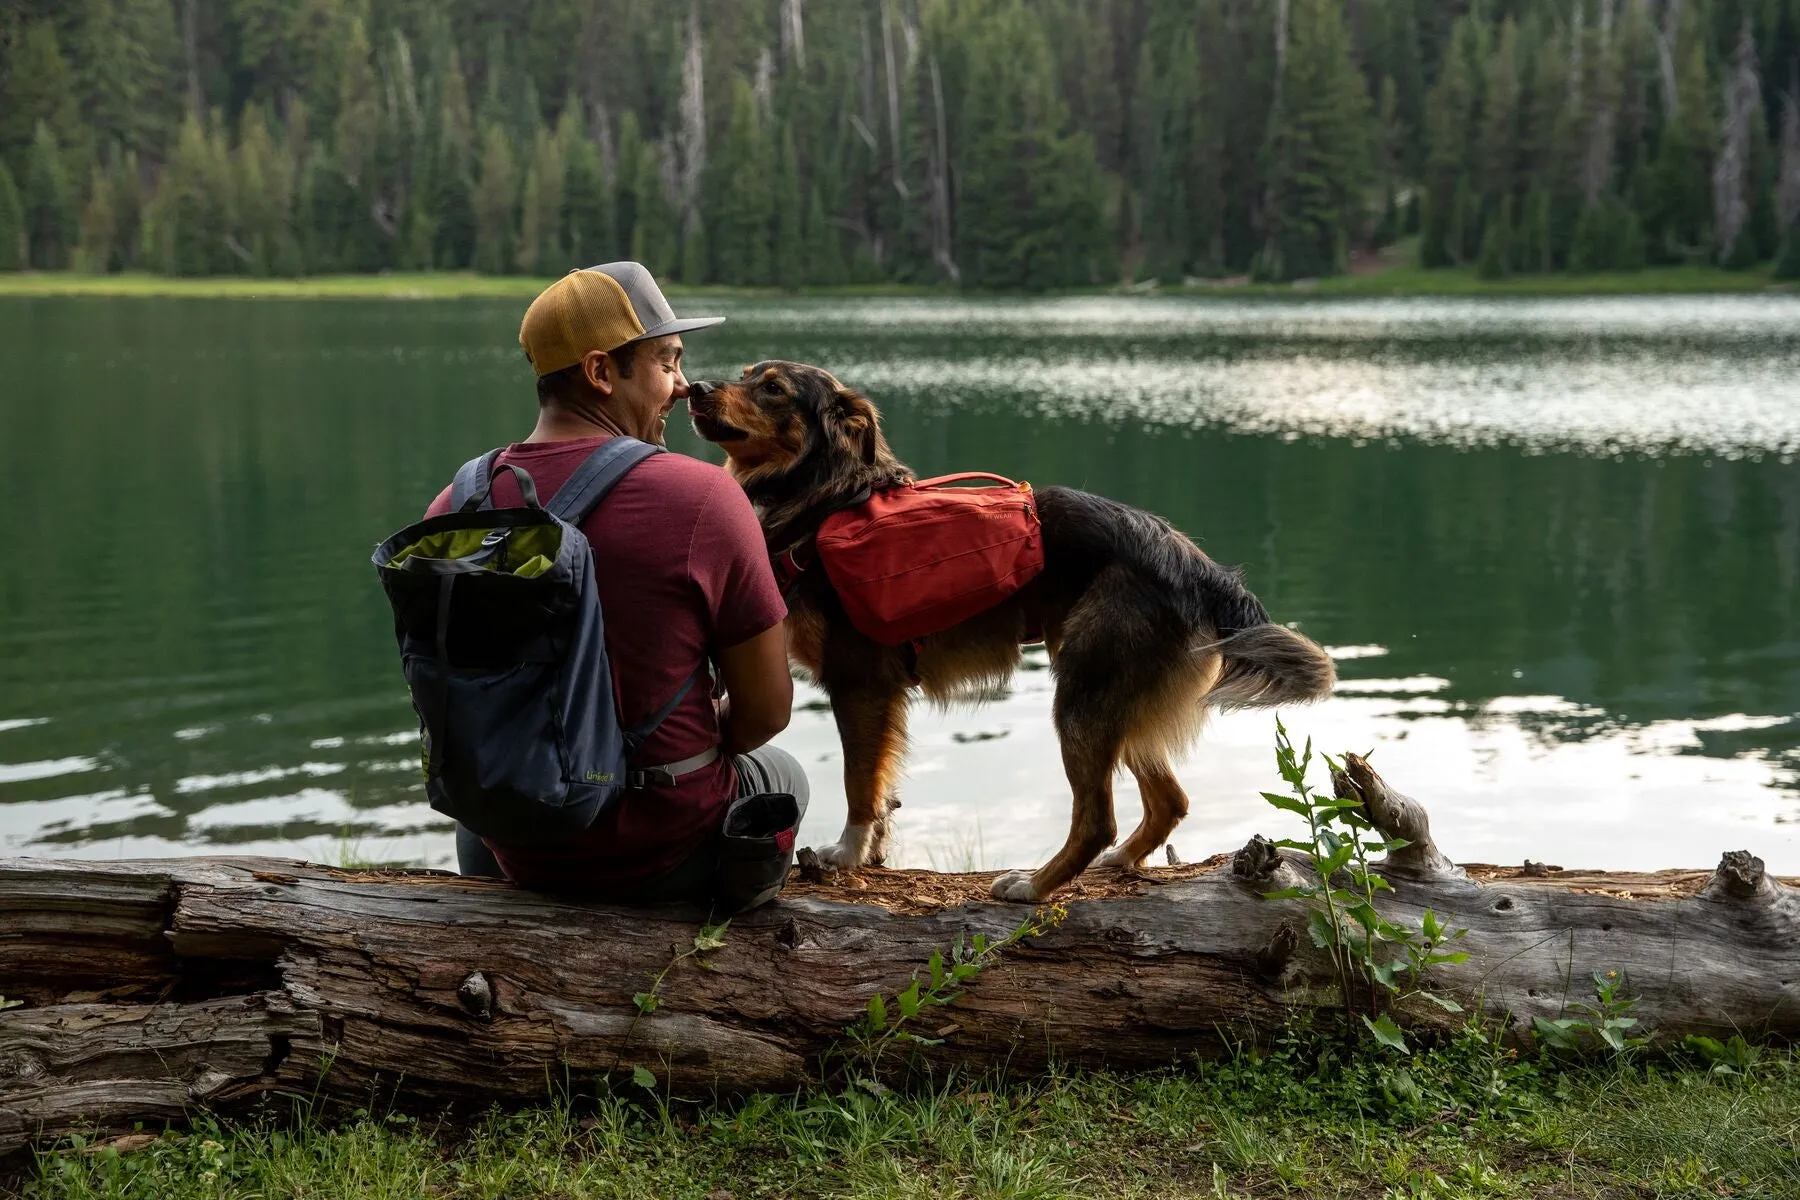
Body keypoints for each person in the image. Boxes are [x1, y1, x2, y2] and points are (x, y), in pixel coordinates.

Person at [423, 262, 806, 902]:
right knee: (785, 773)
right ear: (602, 373)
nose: (683, 387)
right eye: (667, 362)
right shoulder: (703, 497)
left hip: (515, 845)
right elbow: (767, 710)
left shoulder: (454, 509)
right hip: (664, 854)